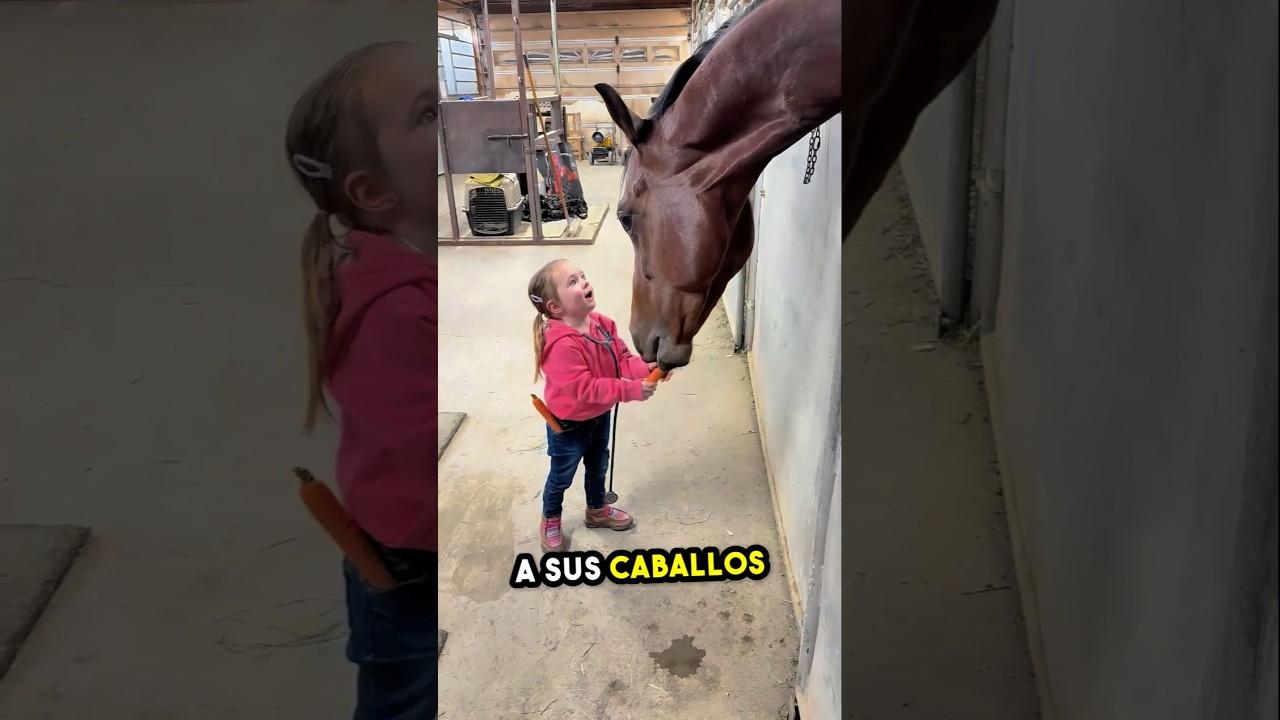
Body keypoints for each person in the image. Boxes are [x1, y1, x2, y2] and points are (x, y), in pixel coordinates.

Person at [284, 41, 437, 720]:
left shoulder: (412, 279)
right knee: (405, 703)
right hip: (411, 561)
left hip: (406, 543)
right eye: (428, 113)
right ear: (374, 192)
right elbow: (424, 457)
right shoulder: (399, 311)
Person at [528, 259, 666, 552]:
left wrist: (647, 367)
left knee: (598, 466)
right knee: (561, 475)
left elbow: (623, 359)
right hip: (568, 424)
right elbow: (583, 388)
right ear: (555, 307)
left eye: (583, 276)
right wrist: (630, 390)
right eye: (573, 282)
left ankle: (596, 510)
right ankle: (550, 518)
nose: (585, 282)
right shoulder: (561, 344)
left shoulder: (603, 324)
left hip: (599, 414)